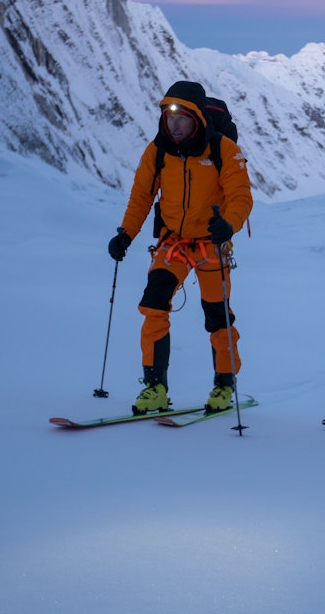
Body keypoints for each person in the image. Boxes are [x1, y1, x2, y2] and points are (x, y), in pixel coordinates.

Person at [107, 80, 253, 414]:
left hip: (211, 245)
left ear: (198, 119)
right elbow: (142, 196)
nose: (173, 124)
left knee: (218, 317)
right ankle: (155, 387)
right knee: (154, 303)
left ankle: (224, 385)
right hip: (172, 243)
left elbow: (241, 196)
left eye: (182, 116)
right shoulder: (157, 151)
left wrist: (228, 225)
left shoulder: (223, 150)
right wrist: (126, 235)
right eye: (168, 115)